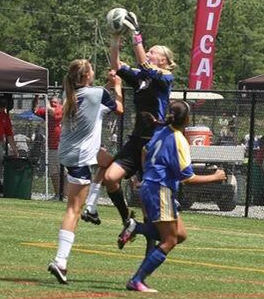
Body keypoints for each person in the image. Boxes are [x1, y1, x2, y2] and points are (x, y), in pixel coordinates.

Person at [81, 11, 176, 254]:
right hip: (136, 142)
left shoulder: (165, 77)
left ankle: (148, 255)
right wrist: (115, 40)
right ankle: (126, 220)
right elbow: (116, 66)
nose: (151, 53)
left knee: (148, 205)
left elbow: (144, 64)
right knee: (111, 178)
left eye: (155, 51)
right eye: (150, 50)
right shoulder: (142, 79)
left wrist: (136, 35)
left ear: (164, 61)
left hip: (154, 145)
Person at [118, 101, 226, 292]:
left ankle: (138, 228)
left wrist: (146, 175)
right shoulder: (179, 139)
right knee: (170, 241)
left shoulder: (161, 131)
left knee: (180, 234)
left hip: (151, 187)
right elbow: (188, 178)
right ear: (187, 119)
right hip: (160, 190)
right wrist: (215, 177)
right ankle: (137, 280)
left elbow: (144, 150)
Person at [47, 59, 123, 284]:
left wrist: (107, 87)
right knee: (72, 210)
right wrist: (117, 86)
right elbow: (119, 108)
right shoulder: (96, 93)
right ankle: (60, 261)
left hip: (73, 151)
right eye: (90, 70)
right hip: (79, 156)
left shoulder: (76, 93)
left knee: (109, 163)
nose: (93, 71)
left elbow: (96, 99)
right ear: (86, 77)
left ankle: (92, 204)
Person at [32, 95, 64, 199]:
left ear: (59, 103)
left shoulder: (60, 109)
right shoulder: (47, 111)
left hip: (61, 146)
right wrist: (36, 97)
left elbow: (53, 113)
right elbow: (35, 110)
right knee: (53, 172)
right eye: (51, 102)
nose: (52, 104)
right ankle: (58, 194)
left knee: (64, 172)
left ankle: (64, 194)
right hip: (52, 147)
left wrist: (44, 98)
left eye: (54, 102)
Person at [0, 95, 19, 191]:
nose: (2, 109)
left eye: (3, 107)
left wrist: (15, 149)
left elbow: (9, 135)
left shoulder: (5, 116)